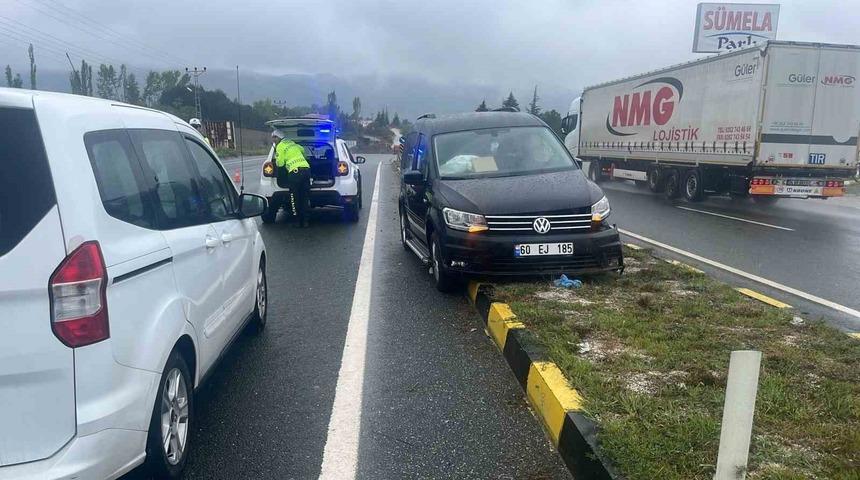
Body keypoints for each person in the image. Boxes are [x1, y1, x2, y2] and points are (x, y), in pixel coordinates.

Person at [272, 129, 311, 227]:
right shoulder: (293, 144)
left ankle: (296, 221)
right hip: (306, 170)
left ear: (278, 137)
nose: (273, 140)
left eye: (274, 138)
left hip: (295, 173)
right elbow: (302, 150)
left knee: (294, 197)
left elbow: (280, 164)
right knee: (305, 197)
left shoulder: (280, 146)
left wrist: (277, 159)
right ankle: (305, 221)